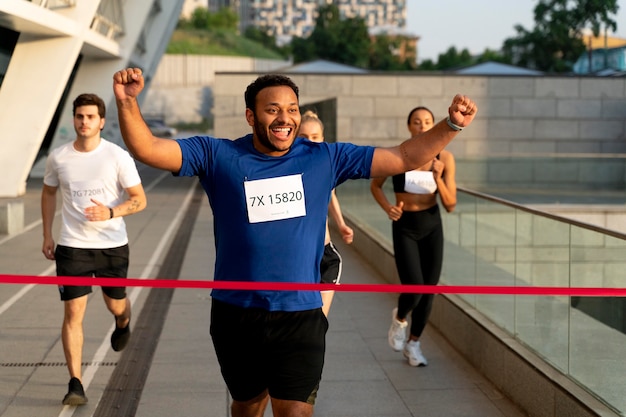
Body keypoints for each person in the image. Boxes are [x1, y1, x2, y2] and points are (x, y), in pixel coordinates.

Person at [112, 68, 476, 417]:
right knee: (247, 406)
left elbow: (405, 156)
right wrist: (128, 102)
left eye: (291, 109)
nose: (285, 118)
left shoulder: (326, 158)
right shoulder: (218, 155)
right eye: (272, 110)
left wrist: (453, 124)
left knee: (296, 411)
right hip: (236, 314)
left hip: (301, 313)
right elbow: (148, 149)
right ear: (250, 117)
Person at [41, 93, 147, 406]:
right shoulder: (58, 157)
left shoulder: (117, 156)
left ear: (101, 122)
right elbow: (48, 193)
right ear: (73, 119)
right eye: (79, 116)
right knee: (74, 312)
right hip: (73, 246)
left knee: (115, 304)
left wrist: (111, 212)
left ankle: (123, 320)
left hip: (112, 245)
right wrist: (47, 234)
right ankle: (75, 382)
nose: (84, 122)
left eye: (90, 117)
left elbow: (140, 199)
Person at [370, 106, 457, 367]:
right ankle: (400, 319)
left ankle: (414, 343)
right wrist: (389, 208)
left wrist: (438, 178)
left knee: (429, 290)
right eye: (417, 122)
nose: (422, 126)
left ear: (433, 126)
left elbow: (451, 204)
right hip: (405, 225)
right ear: (409, 126)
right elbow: (375, 185)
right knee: (414, 285)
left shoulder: (446, 158)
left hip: (432, 224)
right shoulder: (398, 155)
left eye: (427, 122)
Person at [298, 110, 354, 316]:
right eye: (303, 137)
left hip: (325, 256)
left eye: (315, 137)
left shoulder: (325, 167)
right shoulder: (284, 168)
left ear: (323, 139)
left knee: (318, 323)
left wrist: (341, 224)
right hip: (296, 257)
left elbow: (330, 194)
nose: (310, 142)